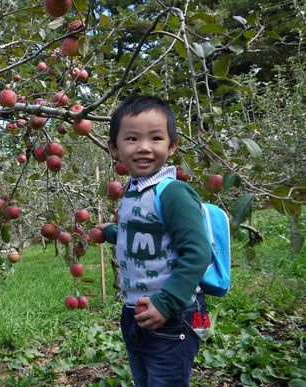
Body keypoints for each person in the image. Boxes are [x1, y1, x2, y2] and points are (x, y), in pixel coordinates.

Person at [100, 95, 211, 386]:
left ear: (171, 145)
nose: (144, 148)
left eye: (156, 138)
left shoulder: (172, 192)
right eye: (132, 138)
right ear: (114, 148)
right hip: (136, 312)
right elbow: (139, 234)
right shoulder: (132, 191)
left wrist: (166, 303)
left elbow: (198, 253)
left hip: (175, 313)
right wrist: (109, 232)